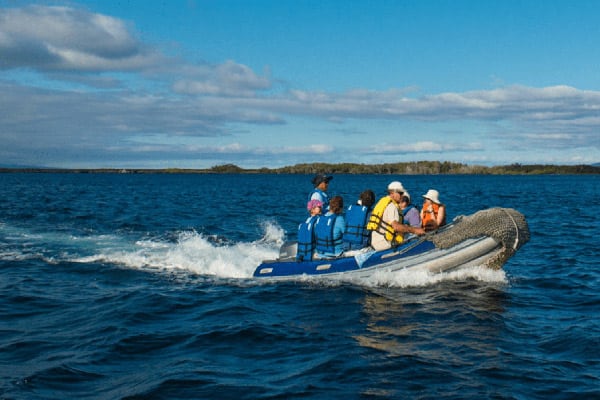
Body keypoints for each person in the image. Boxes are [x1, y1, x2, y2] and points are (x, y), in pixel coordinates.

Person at [367, 181, 425, 251]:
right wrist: (415, 230)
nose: (402, 195)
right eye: (400, 193)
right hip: (385, 243)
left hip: (375, 242)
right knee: (415, 236)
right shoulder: (392, 207)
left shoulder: (383, 202)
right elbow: (396, 227)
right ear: (393, 194)